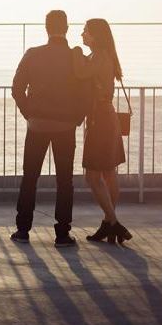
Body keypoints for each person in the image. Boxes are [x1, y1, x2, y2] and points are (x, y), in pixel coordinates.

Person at [11, 10, 83, 247]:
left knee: (30, 177)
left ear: (46, 27)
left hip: (38, 125)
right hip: (65, 126)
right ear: (67, 28)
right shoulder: (74, 56)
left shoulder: (33, 54)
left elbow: (17, 88)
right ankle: (62, 234)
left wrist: (29, 113)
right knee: (65, 181)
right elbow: (87, 90)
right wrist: (78, 116)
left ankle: (22, 230)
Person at [72, 18, 131, 244]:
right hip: (106, 117)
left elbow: (79, 72)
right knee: (108, 174)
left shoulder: (99, 56)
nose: (82, 35)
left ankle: (113, 223)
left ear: (95, 35)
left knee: (93, 176)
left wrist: (75, 51)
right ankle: (109, 224)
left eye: (85, 31)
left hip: (100, 120)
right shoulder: (103, 55)